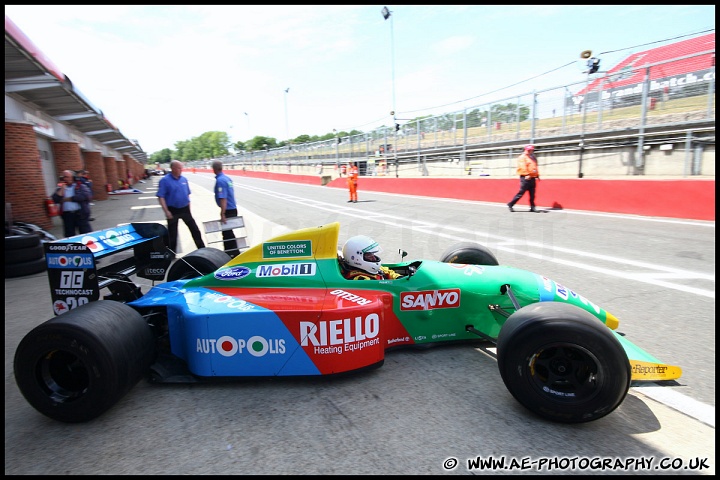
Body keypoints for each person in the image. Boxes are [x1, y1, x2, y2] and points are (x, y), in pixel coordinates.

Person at [156, 160, 206, 253]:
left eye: (181, 167)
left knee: (195, 230)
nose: (181, 169)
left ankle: (202, 249)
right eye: (179, 168)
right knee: (172, 233)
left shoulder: (184, 180)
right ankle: (172, 253)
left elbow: (187, 194)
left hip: (185, 209)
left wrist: (189, 207)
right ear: (173, 168)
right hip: (172, 210)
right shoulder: (165, 180)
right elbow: (161, 196)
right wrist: (166, 211)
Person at [52, 170, 93, 238]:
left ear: (73, 178)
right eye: (64, 177)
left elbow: (86, 196)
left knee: (85, 233)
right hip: (67, 215)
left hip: (80, 214)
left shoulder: (80, 186)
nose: (65, 179)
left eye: (67, 177)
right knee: (69, 234)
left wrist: (69, 199)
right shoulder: (60, 188)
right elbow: (55, 199)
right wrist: (62, 189)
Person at [212, 160, 239, 257]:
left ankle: (231, 253)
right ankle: (233, 252)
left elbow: (223, 198)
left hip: (228, 210)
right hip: (233, 207)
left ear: (214, 169)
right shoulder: (227, 178)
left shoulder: (220, 181)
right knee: (229, 231)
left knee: (227, 233)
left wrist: (222, 213)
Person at [507, 144, 540, 213]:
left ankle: (532, 207)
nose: (531, 151)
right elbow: (522, 166)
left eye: (532, 150)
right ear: (526, 150)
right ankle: (511, 204)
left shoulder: (532, 157)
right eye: (530, 150)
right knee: (521, 193)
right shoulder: (522, 157)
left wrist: (537, 175)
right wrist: (527, 174)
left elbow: (534, 167)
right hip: (525, 178)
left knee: (532, 194)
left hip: (532, 177)